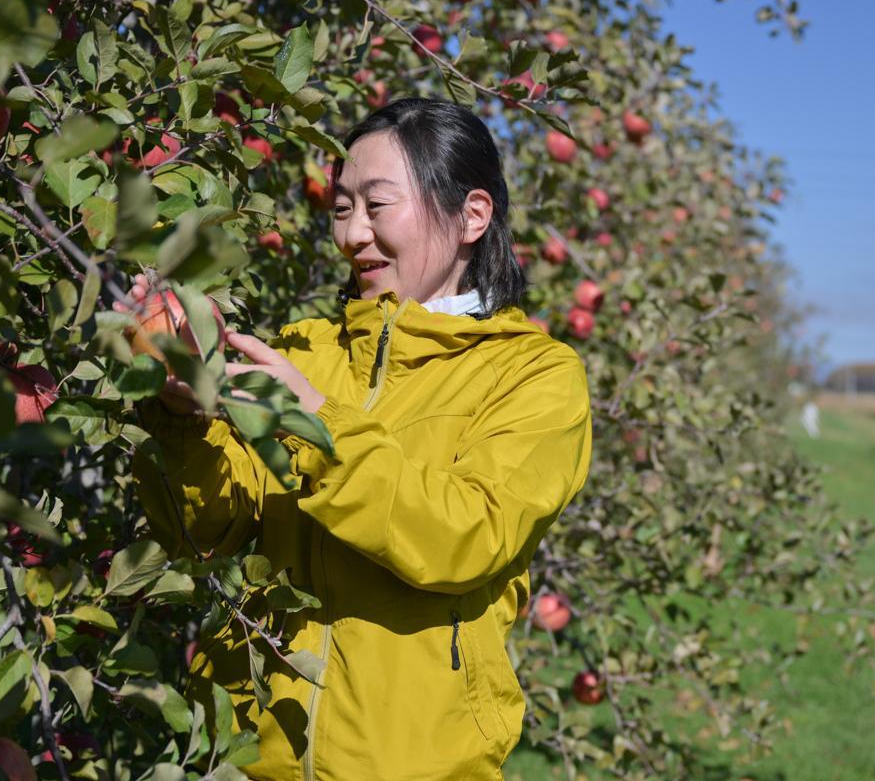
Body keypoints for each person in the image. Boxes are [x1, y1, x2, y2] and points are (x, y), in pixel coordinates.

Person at [127, 98, 593, 780]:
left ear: (472, 216)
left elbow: (465, 535)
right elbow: (207, 535)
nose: (352, 235)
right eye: (342, 208)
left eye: (378, 206)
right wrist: (183, 417)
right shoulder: (302, 353)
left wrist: (315, 423)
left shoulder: (534, 376)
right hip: (251, 758)